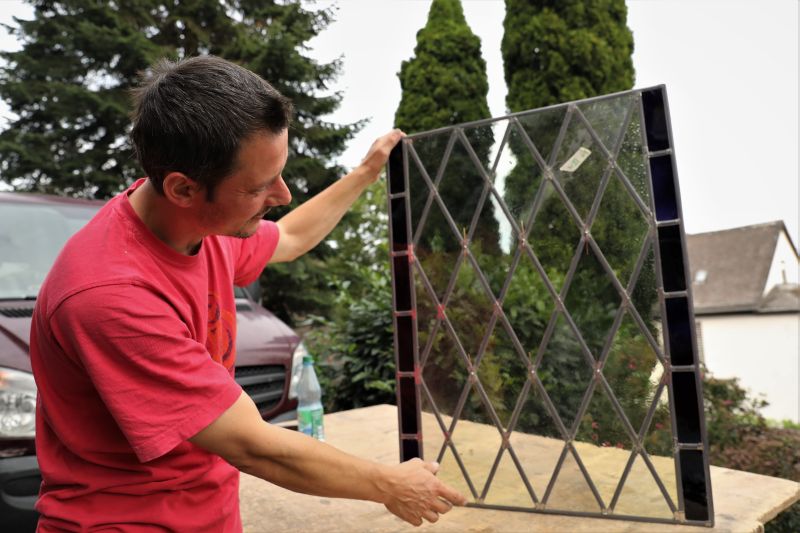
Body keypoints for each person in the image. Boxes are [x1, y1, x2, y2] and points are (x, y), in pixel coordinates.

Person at [29, 55, 466, 532]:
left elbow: (293, 237)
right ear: (182, 188)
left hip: (208, 515)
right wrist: (389, 484)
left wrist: (365, 172)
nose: (282, 196)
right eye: (259, 186)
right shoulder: (109, 293)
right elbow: (253, 445)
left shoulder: (204, 227)